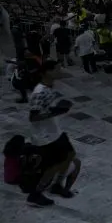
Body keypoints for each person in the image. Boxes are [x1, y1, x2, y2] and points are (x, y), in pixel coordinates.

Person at [27, 60, 82, 205]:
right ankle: (35, 194)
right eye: (56, 69)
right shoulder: (39, 92)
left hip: (55, 132)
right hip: (45, 137)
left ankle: (57, 185)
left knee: (70, 155)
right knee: (53, 166)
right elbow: (33, 117)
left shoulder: (50, 87)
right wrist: (55, 112)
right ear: (47, 72)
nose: (59, 71)